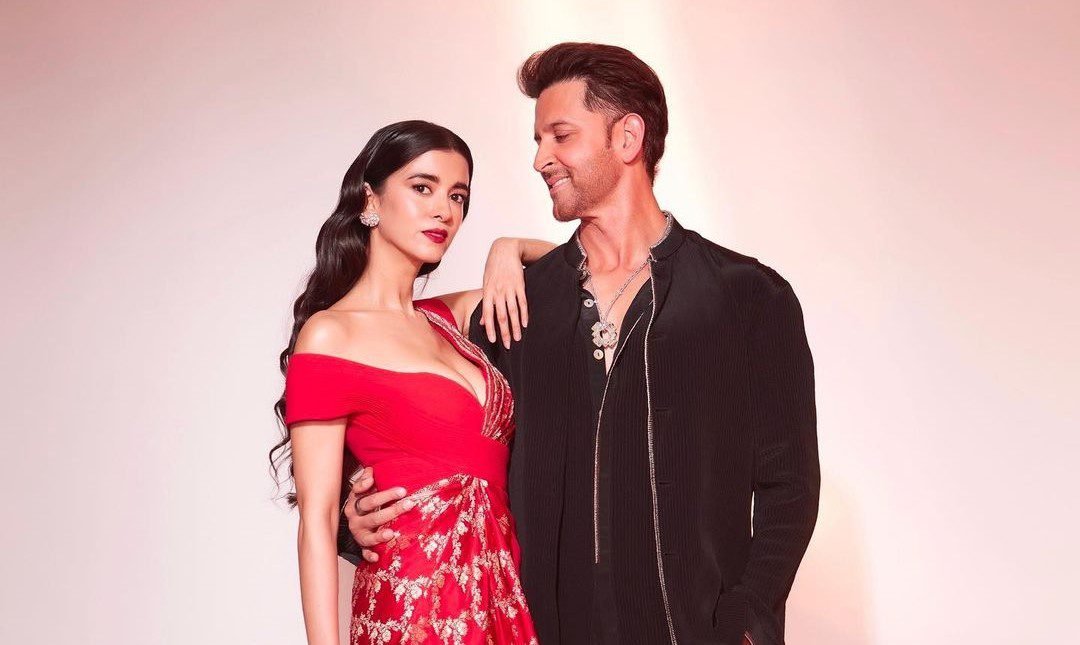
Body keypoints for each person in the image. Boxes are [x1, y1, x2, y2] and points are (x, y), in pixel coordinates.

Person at [344, 45, 820, 645]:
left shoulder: (747, 296)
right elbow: (428, 435)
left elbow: (789, 487)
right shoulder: (516, 310)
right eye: (538, 140)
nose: (540, 158)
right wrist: (351, 514)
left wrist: (746, 622)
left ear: (627, 138)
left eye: (560, 135)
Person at [269, 120, 553, 644]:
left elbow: (578, 269)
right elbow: (318, 522)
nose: (444, 210)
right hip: (411, 605)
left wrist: (508, 248)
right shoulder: (330, 334)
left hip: (500, 596)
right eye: (422, 188)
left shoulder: (452, 318)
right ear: (370, 199)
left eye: (458, 196)